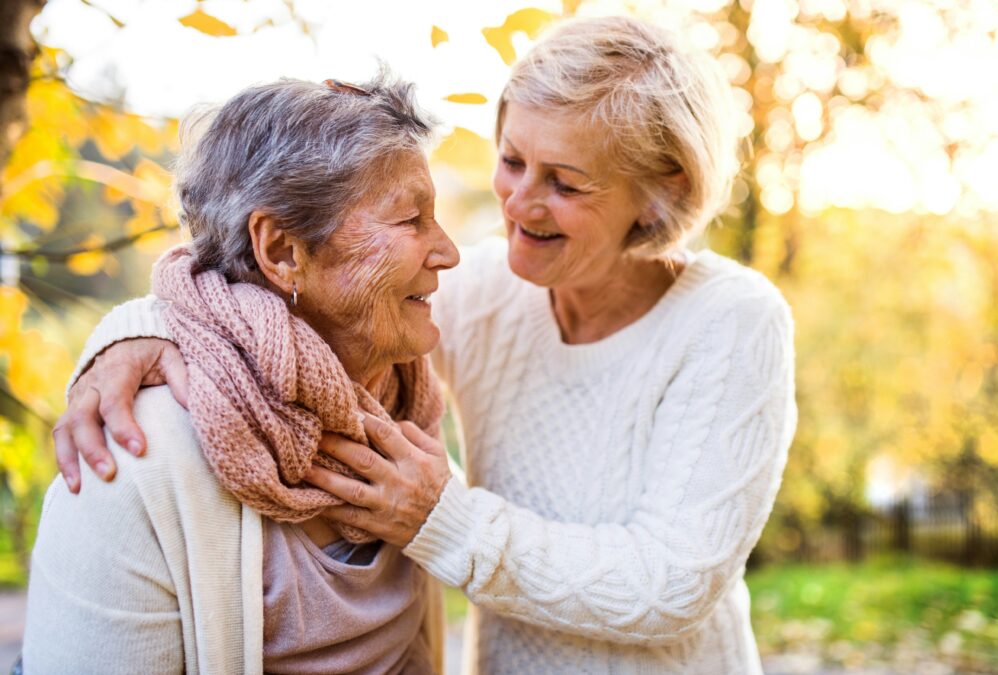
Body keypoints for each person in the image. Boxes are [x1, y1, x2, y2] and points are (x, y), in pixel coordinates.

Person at [54, 16, 797, 674]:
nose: (519, 202)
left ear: (661, 192)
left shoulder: (732, 322)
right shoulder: (488, 292)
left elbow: (669, 585)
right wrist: (137, 331)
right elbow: (292, 296)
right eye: (511, 160)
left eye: (566, 183)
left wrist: (444, 520)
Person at [24, 73, 461, 674]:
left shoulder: (403, 404)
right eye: (411, 220)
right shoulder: (131, 465)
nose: (448, 251)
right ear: (282, 252)